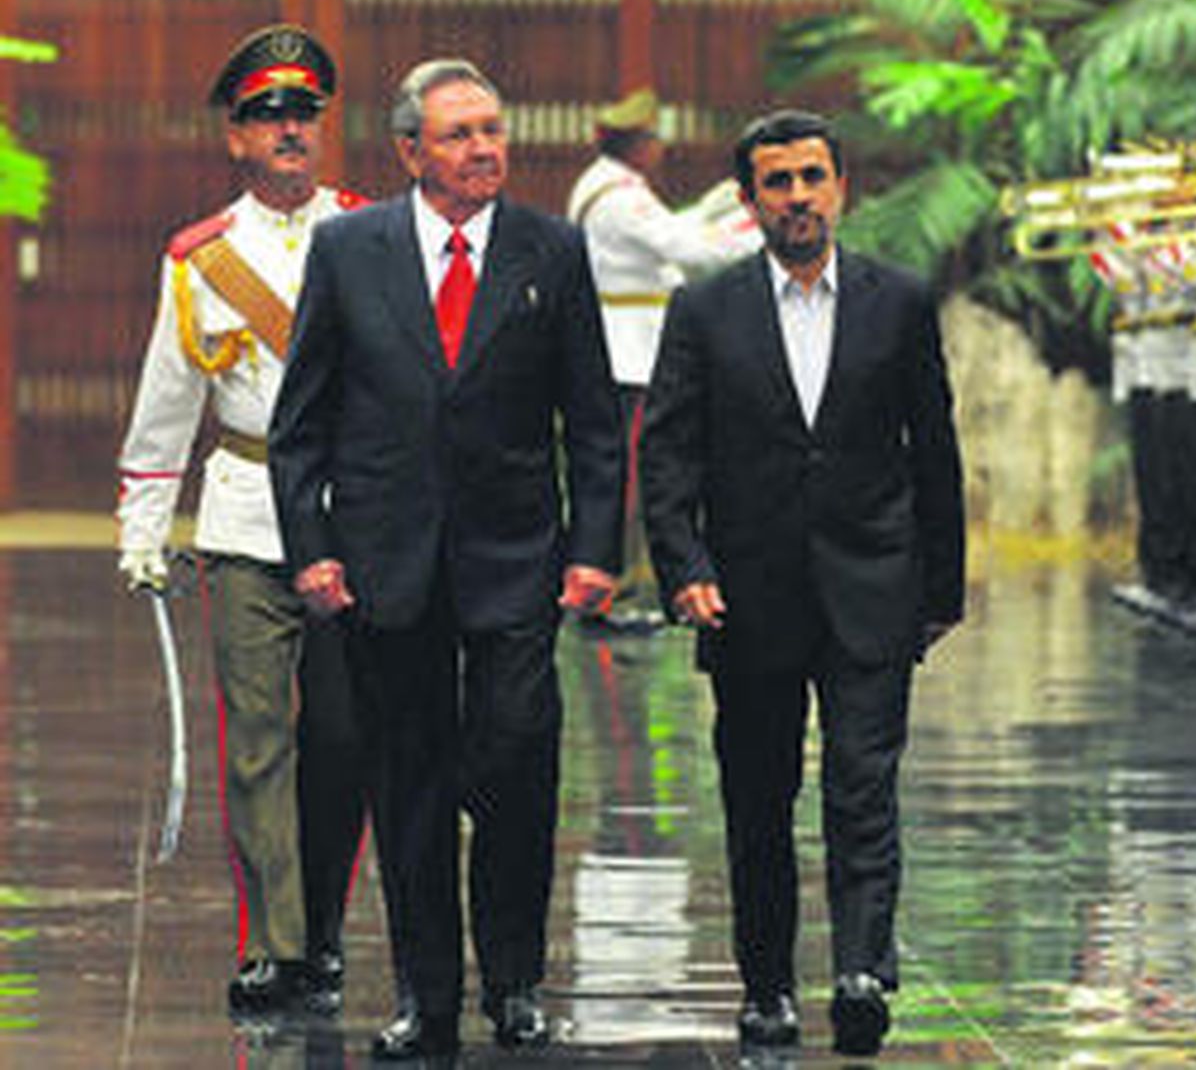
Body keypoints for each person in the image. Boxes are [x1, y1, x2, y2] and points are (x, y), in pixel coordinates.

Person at [268, 58, 624, 1060]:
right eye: (460, 133)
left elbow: (593, 419)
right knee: (409, 783)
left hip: (516, 560)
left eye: (493, 130)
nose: (484, 149)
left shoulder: (551, 250)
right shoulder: (348, 250)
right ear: (411, 150)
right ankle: (427, 996)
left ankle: (514, 982)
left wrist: (596, 546)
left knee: (515, 758)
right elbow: (302, 421)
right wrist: (314, 549)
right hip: (387, 564)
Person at [639, 109, 966, 1057]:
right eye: (776, 183)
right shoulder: (706, 311)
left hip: (874, 587)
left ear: (840, 188)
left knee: (865, 785)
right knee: (758, 797)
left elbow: (933, 451)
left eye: (812, 178)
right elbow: (667, 457)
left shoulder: (897, 302)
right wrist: (684, 569)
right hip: (750, 595)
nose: (798, 198)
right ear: (750, 203)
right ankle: (769, 986)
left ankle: (862, 969)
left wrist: (939, 590)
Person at [114, 24, 368, 1017]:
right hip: (246, 518)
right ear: (235, 137)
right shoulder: (199, 262)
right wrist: (144, 526)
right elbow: (166, 402)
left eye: (303, 112)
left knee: (345, 738)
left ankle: (327, 927)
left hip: (352, 523)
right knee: (258, 736)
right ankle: (277, 942)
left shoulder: (373, 234)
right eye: (268, 115)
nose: (289, 129)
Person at [566, 86, 758, 627]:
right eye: (655, 139)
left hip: (627, 342)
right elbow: (688, 250)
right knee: (629, 476)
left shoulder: (608, 184)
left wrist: (717, 206)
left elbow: (671, 232)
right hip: (630, 348)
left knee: (624, 472)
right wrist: (754, 226)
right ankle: (613, 592)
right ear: (637, 143)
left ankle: (615, 589)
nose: (662, 149)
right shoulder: (623, 196)